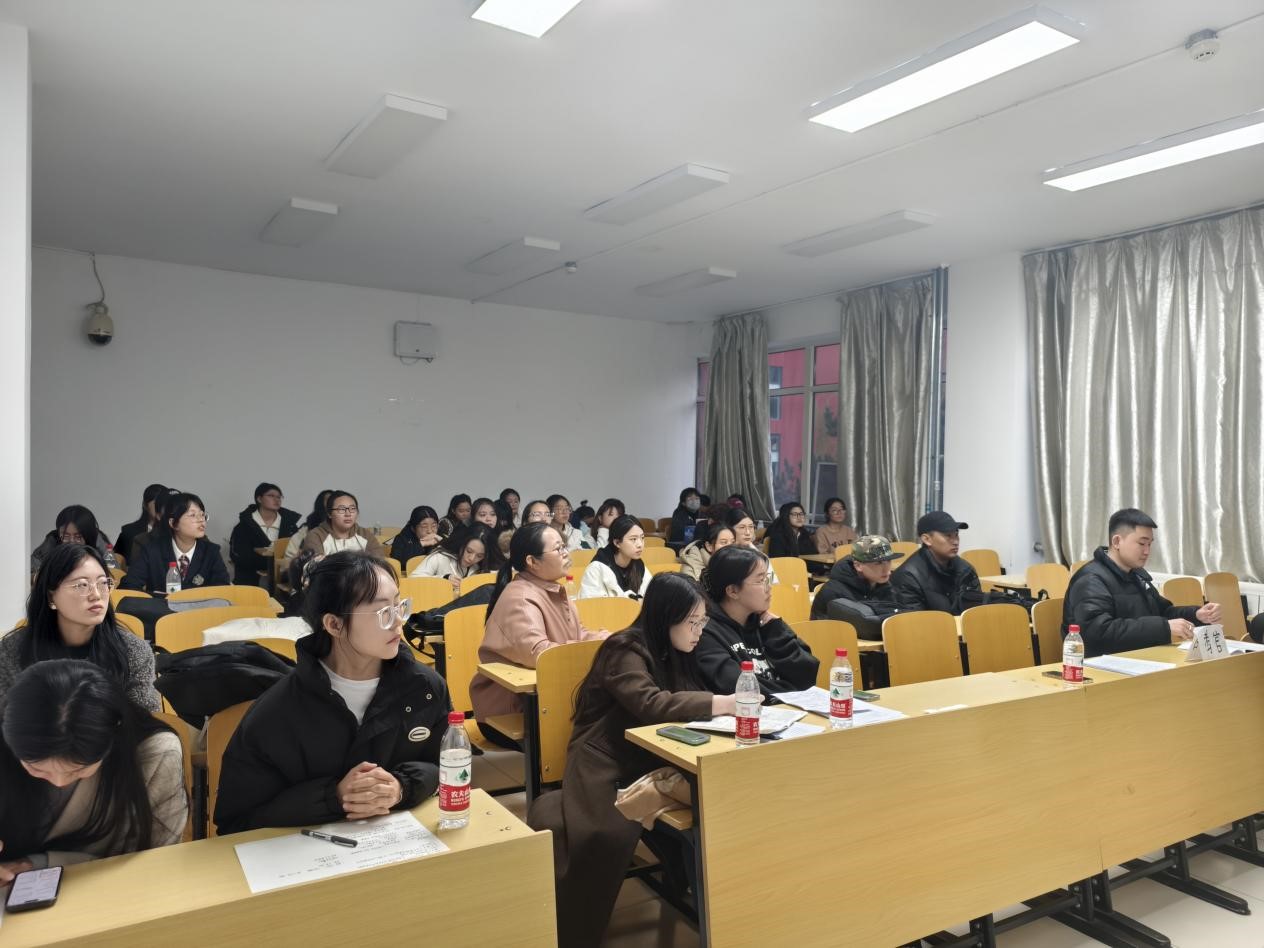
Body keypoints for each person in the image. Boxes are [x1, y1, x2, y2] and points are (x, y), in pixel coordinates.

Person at [529, 573, 734, 947]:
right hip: (606, 759)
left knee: (724, 801)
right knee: (601, 836)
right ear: (665, 617)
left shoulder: (678, 647)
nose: (699, 631)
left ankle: (713, 896)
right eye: (692, 622)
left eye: (703, 621)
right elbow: (650, 704)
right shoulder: (624, 650)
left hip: (660, 753)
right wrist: (721, 703)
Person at [214, 552, 449, 835]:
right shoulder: (277, 712)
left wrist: (402, 787)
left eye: (399, 606)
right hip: (307, 853)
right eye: (383, 612)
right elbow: (237, 820)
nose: (399, 622)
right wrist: (333, 797)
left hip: (401, 845)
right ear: (334, 624)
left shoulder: (425, 689)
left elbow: (449, 767)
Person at [0, 660, 185, 880]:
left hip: (113, 888)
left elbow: (159, 859)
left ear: (113, 737)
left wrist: (39, 864)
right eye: (36, 768)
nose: (59, 782)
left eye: (79, 769)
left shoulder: (154, 753)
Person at [470, 524, 608, 745]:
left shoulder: (553, 589)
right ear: (532, 561)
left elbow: (578, 634)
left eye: (564, 547)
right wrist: (586, 649)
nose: (566, 553)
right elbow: (539, 652)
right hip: (511, 708)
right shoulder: (521, 598)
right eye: (558, 549)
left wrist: (610, 639)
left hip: (547, 697)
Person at [0, 544, 159, 710]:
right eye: (82, 585)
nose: (96, 595)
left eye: (103, 583)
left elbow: (144, 721)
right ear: (51, 597)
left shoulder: (133, 652)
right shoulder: (12, 652)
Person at [1062, 508, 1223, 657]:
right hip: (1100, 666)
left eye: (1149, 544)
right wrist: (1164, 627)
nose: (1147, 551)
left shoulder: (1136, 575)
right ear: (1117, 542)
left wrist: (1196, 614)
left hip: (1141, 659)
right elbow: (1098, 632)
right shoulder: (1090, 580)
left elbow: (1163, 612)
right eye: (1141, 543)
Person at [695, 545, 818, 697]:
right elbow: (740, 688)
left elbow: (808, 676)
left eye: (767, 578)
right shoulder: (706, 632)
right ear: (733, 591)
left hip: (785, 707)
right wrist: (790, 691)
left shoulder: (766, 623)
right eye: (760, 581)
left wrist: (776, 631)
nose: (769, 587)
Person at [121, 492, 230, 594]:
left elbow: (223, 589)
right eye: (193, 515)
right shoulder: (152, 551)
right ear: (173, 523)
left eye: (202, 515)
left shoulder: (211, 552)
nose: (201, 520)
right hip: (161, 608)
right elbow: (129, 586)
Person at [810, 535, 906, 638]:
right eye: (879, 563)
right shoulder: (833, 592)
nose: (887, 569)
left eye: (888, 561)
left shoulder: (886, 586)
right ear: (858, 566)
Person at [892, 511, 981, 615]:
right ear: (927, 539)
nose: (955, 542)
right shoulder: (907, 577)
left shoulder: (965, 569)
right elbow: (914, 621)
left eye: (956, 535)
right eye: (948, 536)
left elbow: (977, 610)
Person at [228, 483, 300, 586]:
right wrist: (270, 561)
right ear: (259, 499)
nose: (276, 500)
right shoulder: (243, 526)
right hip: (250, 581)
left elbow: (298, 551)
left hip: (283, 581)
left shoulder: (290, 526)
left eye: (279, 497)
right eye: (271, 496)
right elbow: (238, 555)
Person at [579, 515, 650, 600]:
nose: (640, 544)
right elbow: (592, 604)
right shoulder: (597, 568)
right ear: (617, 542)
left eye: (642, 538)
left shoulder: (639, 565)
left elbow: (652, 596)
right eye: (633, 539)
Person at [300, 491, 385, 557]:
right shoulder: (316, 536)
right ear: (329, 514)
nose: (348, 514)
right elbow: (314, 567)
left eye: (352, 509)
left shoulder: (365, 535)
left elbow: (379, 562)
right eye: (341, 509)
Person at [408, 525, 490, 593]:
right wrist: (443, 579)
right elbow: (412, 580)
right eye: (469, 551)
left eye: (479, 556)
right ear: (461, 544)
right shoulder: (441, 556)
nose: (472, 558)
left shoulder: (481, 566)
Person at [30, 505, 110, 574]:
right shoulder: (53, 539)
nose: (71, 541)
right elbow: (32, 568)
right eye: (66, 536)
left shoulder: (99, 541)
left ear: (89, 535)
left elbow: (113, 572)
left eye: (78, 537)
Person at [113, 483, 167, 562]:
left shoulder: (174, 530)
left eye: (164, 503)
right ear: (145, 505)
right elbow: (114, 561)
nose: (160, 507)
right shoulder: (129, 532)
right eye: (156, 503)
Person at [724, 507, 777, 584]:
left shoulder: (761, 556)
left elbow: (771, 582)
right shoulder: (724, 555)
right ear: (729, 528)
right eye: (742, 527)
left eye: (751, 527)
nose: (748, 532)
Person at [283, 488, 334, 566]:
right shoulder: (308, 527)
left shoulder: (344, 526)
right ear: (321, 504)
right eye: (328, 500)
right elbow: (291, 554)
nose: (332, 502)